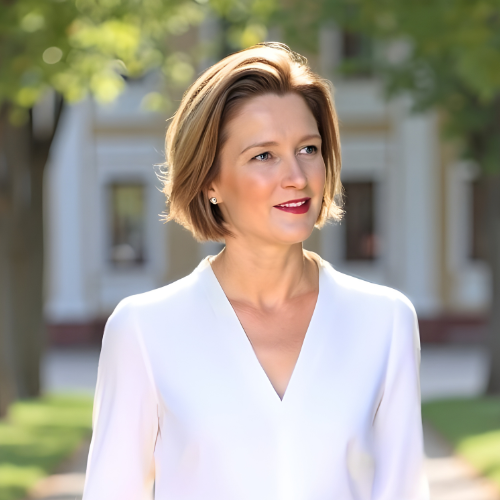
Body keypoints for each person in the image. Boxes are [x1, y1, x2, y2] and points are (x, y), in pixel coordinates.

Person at [82, 42, 429, 500]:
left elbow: (403, 490)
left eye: (308, 149)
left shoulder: (385, 321)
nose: (297, 177)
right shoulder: (144, 329)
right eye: (264, 155)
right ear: (210, 181)